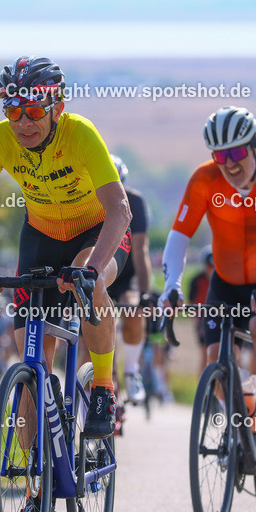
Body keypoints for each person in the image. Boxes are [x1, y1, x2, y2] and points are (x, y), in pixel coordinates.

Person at [0, 57, 132, 512]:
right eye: (13, 113)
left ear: (56, 105)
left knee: (84, 279)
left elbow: (119, 211)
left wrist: (93, 267)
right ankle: (36, 493)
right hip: (39, 236)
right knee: (31, 364)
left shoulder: (81, 134)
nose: (23, 124)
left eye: (33, 112)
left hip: (96, 232)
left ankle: (102, 388)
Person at [162, 106, 256, 468]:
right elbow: (180, 236)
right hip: (226, 282)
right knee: (215, 361)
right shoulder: (204, 180)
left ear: (254, 147)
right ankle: (245, 412)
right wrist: (171, 283)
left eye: (236, 153)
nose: (228, 164)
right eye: (219, 155)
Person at [105, 154, 153, 408]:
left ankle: (132, 370)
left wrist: (144, 292)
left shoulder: (135, 201)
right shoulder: (87, 202)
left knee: (133, 309)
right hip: (99, 271)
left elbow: (141, 249)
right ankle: (96, 390)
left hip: (128, 274)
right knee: (88, 337)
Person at [187, 246, 215, 376]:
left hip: (219, 315)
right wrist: (199, 323)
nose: (211, 270)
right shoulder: (197, 280)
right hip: (202, 317)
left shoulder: (222, 280)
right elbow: (192, 303)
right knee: (205, 352)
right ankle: (203, 387)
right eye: (209, 266)